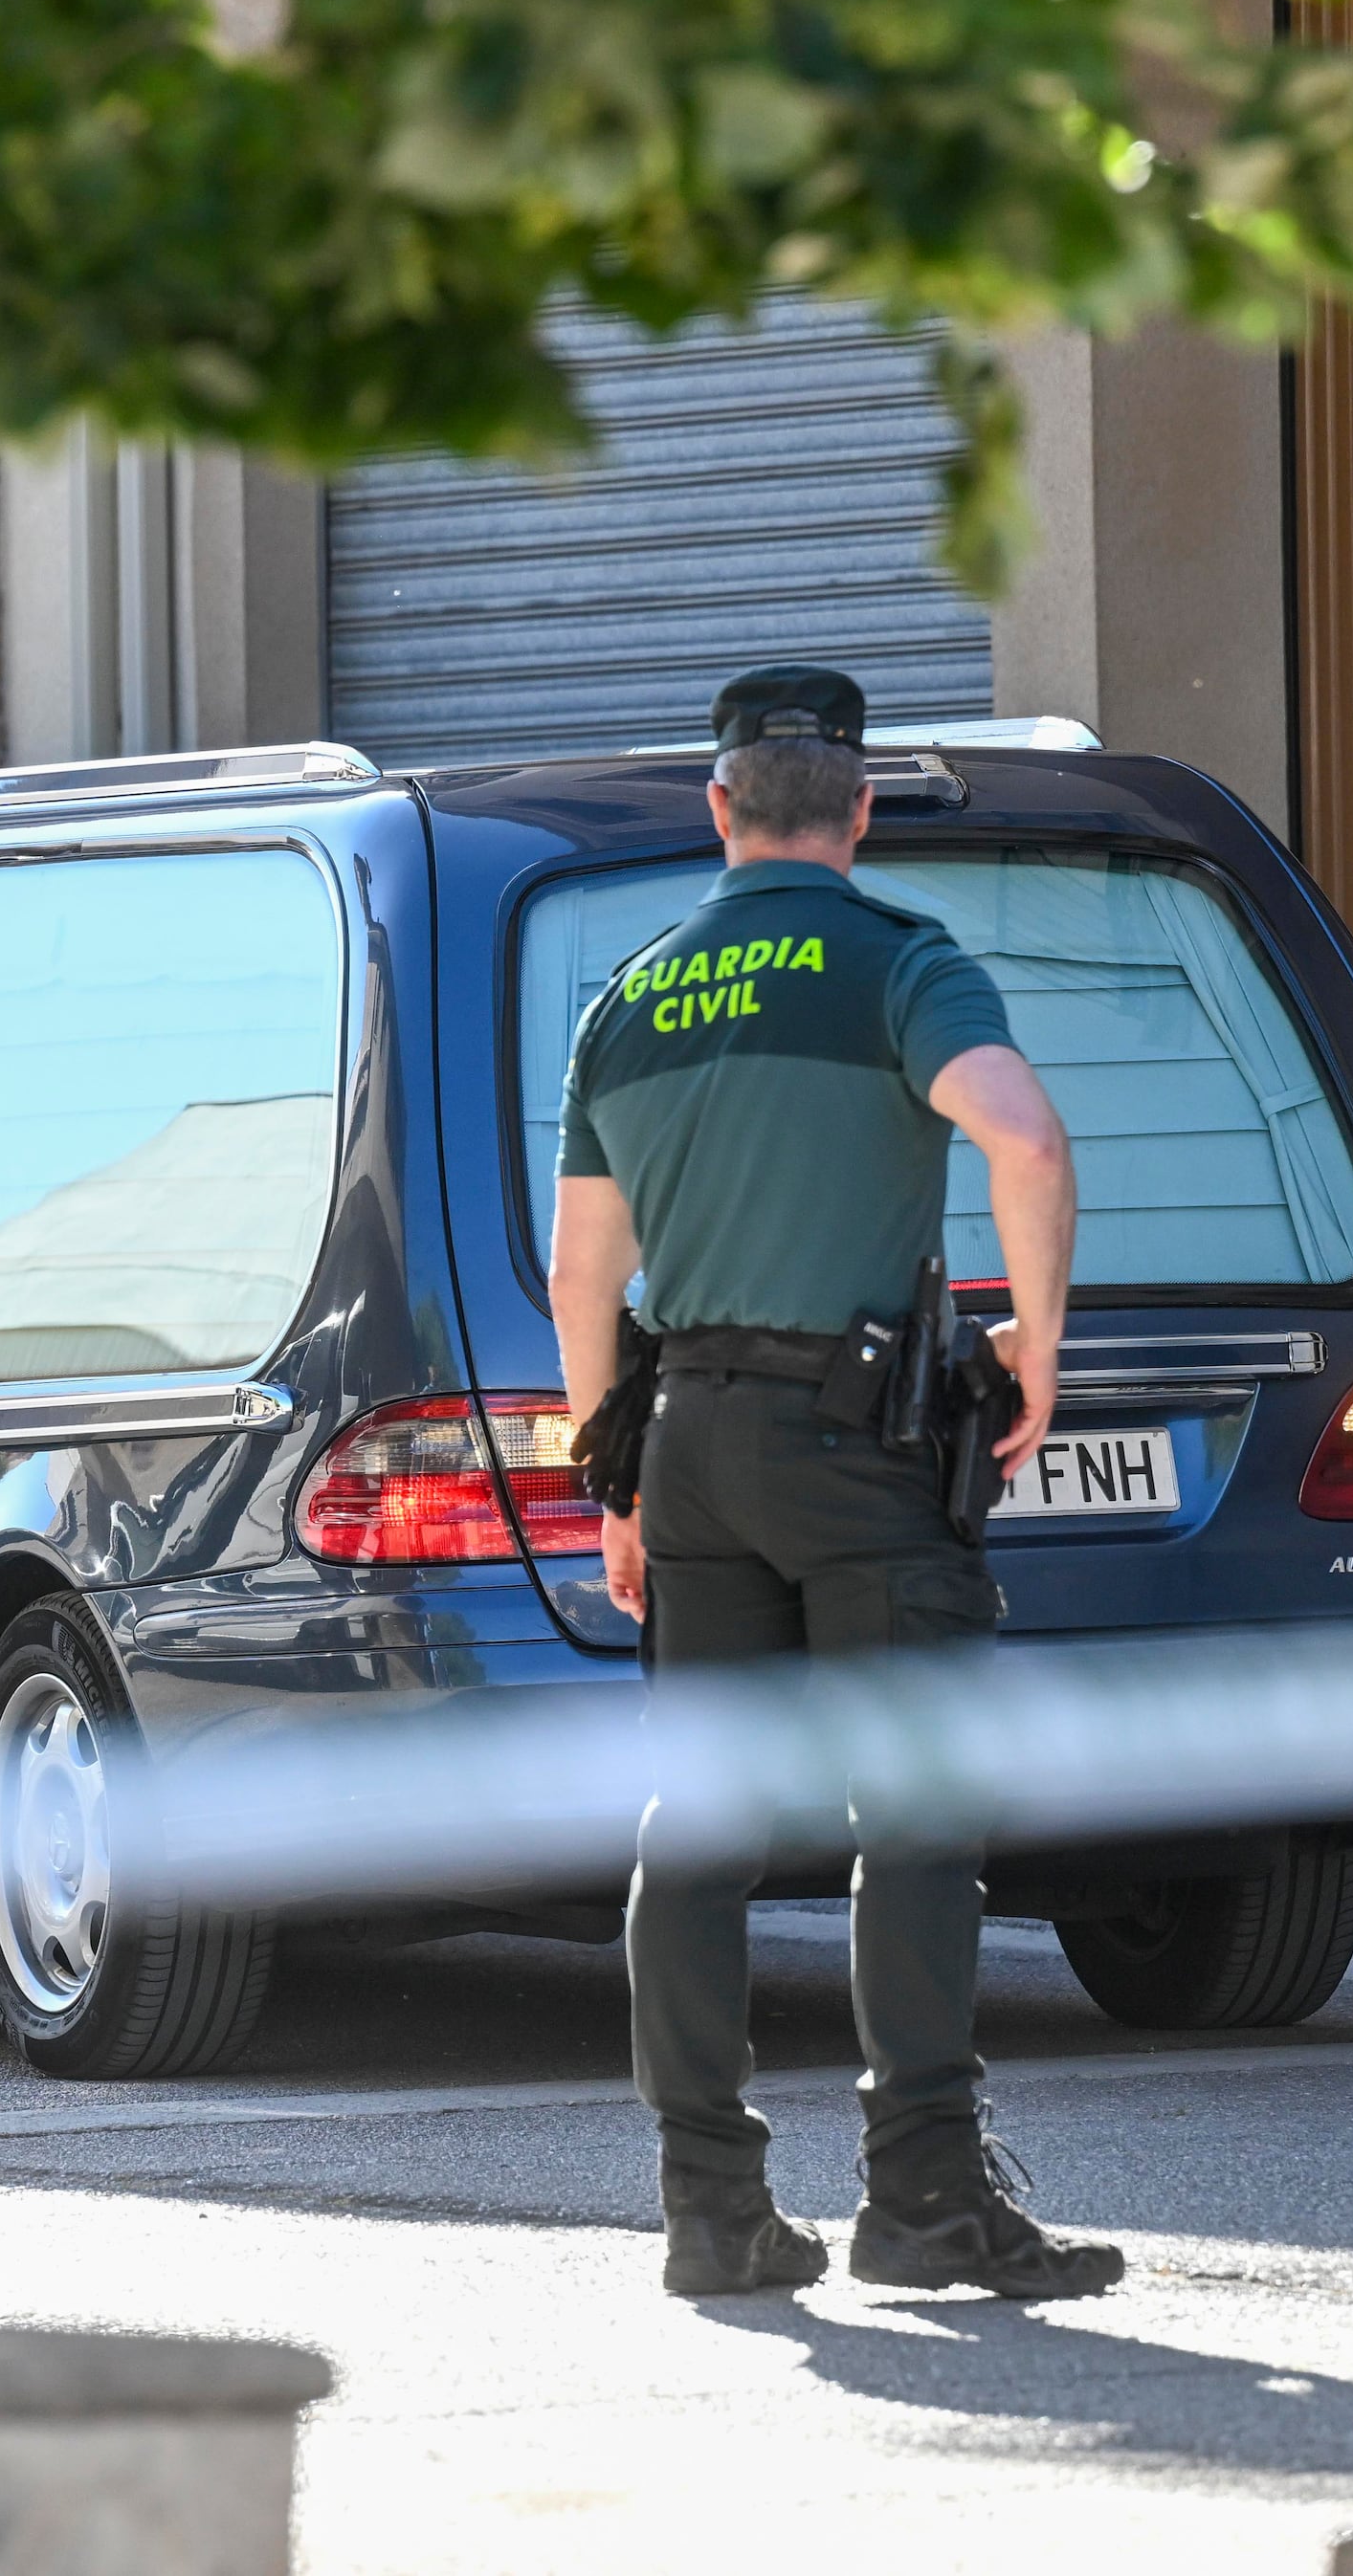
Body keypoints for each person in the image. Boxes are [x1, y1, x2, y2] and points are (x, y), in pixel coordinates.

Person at [549, 666, 1126, 2304]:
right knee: (920, 1811)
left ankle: (710, 2209)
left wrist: (618, 1482)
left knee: (702, 1826)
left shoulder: (633, 998)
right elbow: (1023, 1138)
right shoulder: (898, 963)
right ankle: (926, 2192)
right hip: (862, 1453)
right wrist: (1039, 1344)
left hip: (692, 1447)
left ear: (720, 812)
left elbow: (579, 1269)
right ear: (860, 812)